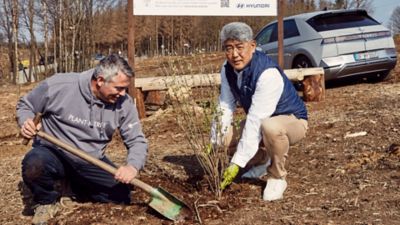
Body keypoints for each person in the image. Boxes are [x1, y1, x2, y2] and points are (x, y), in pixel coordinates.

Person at [17, 54, 148, 224]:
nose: (123, 93)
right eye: (119, 88)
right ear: (100, 80)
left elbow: (136, 140)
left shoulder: (124, 104)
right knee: (34, 164)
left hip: (90, 159)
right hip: (53, 152)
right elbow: (26, 105)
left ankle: (74, 185)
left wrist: (132, 166)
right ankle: (46, 201)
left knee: (120, 196)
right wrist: (26, 121)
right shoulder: (60, 85)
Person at [211, 22, 308, 201]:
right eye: (228, 48)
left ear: (253, 46)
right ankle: (262, 160)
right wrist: (215, 139)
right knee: (223, 135)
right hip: (261, 120)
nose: (234, 54)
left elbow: (256, 118)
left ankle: (277, 176)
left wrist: (237, 163)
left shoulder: (266, 73)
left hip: (291, 120)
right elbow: (225, 105)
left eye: (240, 47)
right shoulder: (227, 70)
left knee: (269, 127)